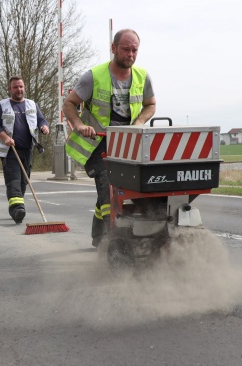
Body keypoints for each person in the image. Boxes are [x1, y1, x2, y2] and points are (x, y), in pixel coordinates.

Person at [63, 29, 156, 247]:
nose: (130, 54)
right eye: (126, 49)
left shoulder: (143, 77)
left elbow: (150, 105)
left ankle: (97, 237)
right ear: (113, 48)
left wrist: (140, 122)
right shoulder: (93, 76)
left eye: (134, 50)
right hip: (98, 142)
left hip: (127, 142)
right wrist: (79, 125)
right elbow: (69, 104)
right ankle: (113, 241)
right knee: (108, 186)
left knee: (121, 187)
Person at [0, 76, 50, 224]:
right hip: (10, 150)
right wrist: (5, 137)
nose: (19, 89)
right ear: (10, 89)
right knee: (14, 180)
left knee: (24, 181)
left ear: (24, 88)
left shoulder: (31, 104)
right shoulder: (2, 105)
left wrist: (44, 127)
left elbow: (41, 119)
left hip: (27, 149)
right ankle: (18, 209)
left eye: (21, 86)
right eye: (15, 87)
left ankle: (17, 207)